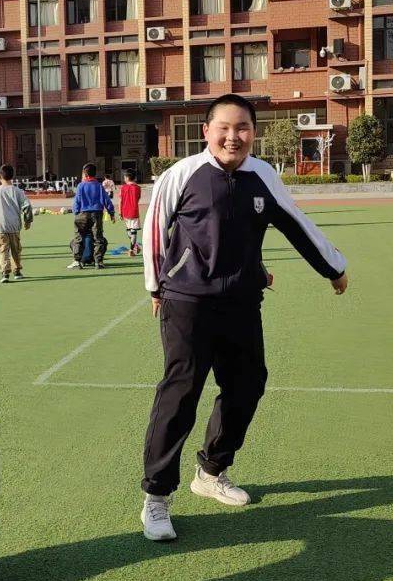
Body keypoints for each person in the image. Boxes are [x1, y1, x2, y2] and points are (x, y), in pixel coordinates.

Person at [139, 94, 348, 544]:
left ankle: (211, 471)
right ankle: (156, 497)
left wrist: (333, 267)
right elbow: (156, 227)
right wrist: (155, 286)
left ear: (253, 132)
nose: (234, 137)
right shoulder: (183, 174)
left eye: (243, 128)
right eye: (225, 128)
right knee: (181, 393)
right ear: (207, 131)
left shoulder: (262, 175)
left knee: (248, 384)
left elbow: (296, 223)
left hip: (241, 301)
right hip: (187, 301)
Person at [0, 164, 33, 283]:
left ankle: (5, 273)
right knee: (16, 249)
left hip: (0, 226)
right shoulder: (17, 191)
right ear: (12, 176)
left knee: (2, 249)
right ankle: (17, 271)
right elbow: (27, 206)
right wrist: (28, 220)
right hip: (14, 226)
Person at [67, 162, 115, 270]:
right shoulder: (99, 186)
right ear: (95, 174)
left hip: (82, 214)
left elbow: (77, 201)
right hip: (97, 214)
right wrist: (111, 213)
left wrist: (76, 212)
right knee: (98, 238)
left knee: (79, 237)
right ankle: (99, 261)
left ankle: (77, 261)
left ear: (85, 174)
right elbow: (106, 200)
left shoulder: (81, 186)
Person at [119, 169, 142, 256]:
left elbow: (120, 201)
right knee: (133, 231)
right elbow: (138, 199)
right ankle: (134, 247)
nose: (124, 178)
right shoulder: (138, 188)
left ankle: (131, 249)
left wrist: (120, 212)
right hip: (134, 211)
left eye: (124, 177)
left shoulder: (122, 188)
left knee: (129, 231)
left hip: (125, 211)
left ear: (127, 177)